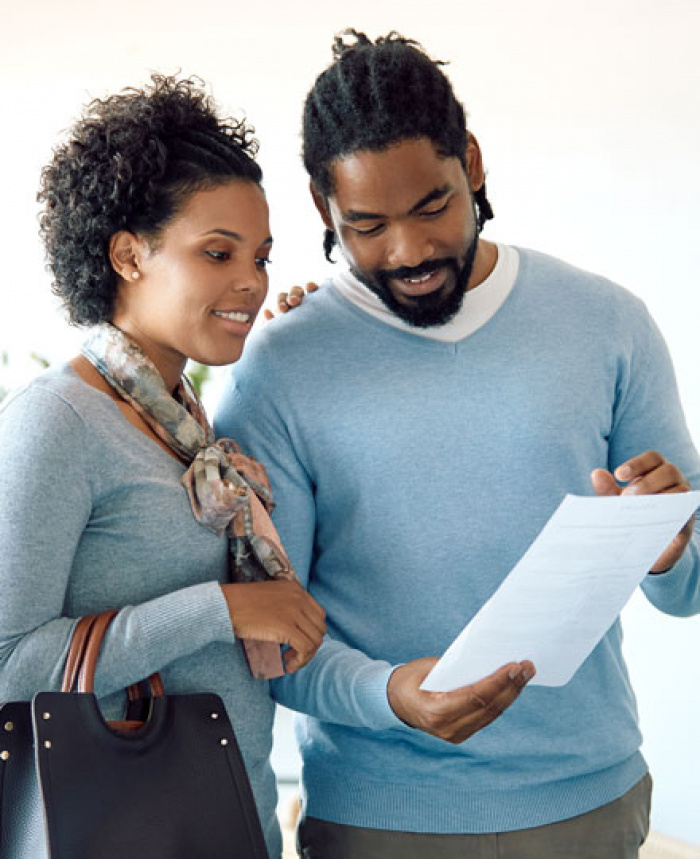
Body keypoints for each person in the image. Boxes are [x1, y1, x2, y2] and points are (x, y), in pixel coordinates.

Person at [214, 30, 700, 859]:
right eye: (367, 225)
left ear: (470, 162)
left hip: (590, 802)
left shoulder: (609, 323)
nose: (408, 253)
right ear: (321, 208)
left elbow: (687, 590)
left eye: (432, 206)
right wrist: (390, 693)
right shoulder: (280, 368)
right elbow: (269, 638)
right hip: (380, 820)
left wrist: (667, 549)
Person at [0, 75, 328, 859]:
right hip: (119, 827)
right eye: (218, 252)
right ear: (128, 254)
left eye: (260, 255)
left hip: (224, 820)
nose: (252, 279)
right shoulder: (57, 419)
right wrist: (223, 608)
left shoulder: (181, 425)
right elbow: (9, 664)